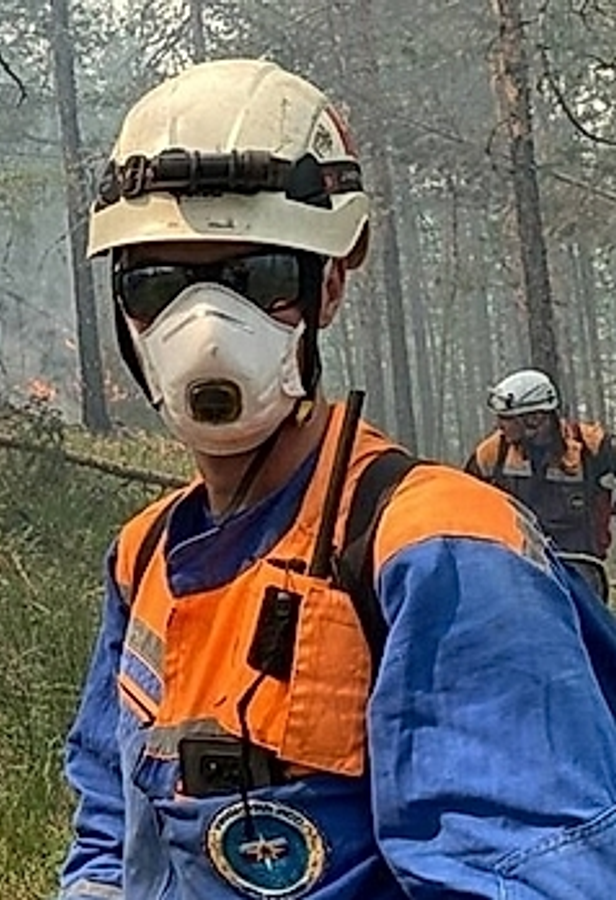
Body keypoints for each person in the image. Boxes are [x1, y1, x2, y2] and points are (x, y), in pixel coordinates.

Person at [58, 58, 616, 899]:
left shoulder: (441, 551)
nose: (204, 327)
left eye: (257, 279)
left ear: (331, 281)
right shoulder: (144, 559)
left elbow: (525, 873)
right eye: (159, 282)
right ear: (121, 302)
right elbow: (109, 828)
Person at [464, 368, 616, 599]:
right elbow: (466, 499)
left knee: (590, 630)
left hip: (581, 565)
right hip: (519, 564)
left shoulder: (589, 445)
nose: (499, 425)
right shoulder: (493, 453)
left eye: (507, 418)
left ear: (535, 418)